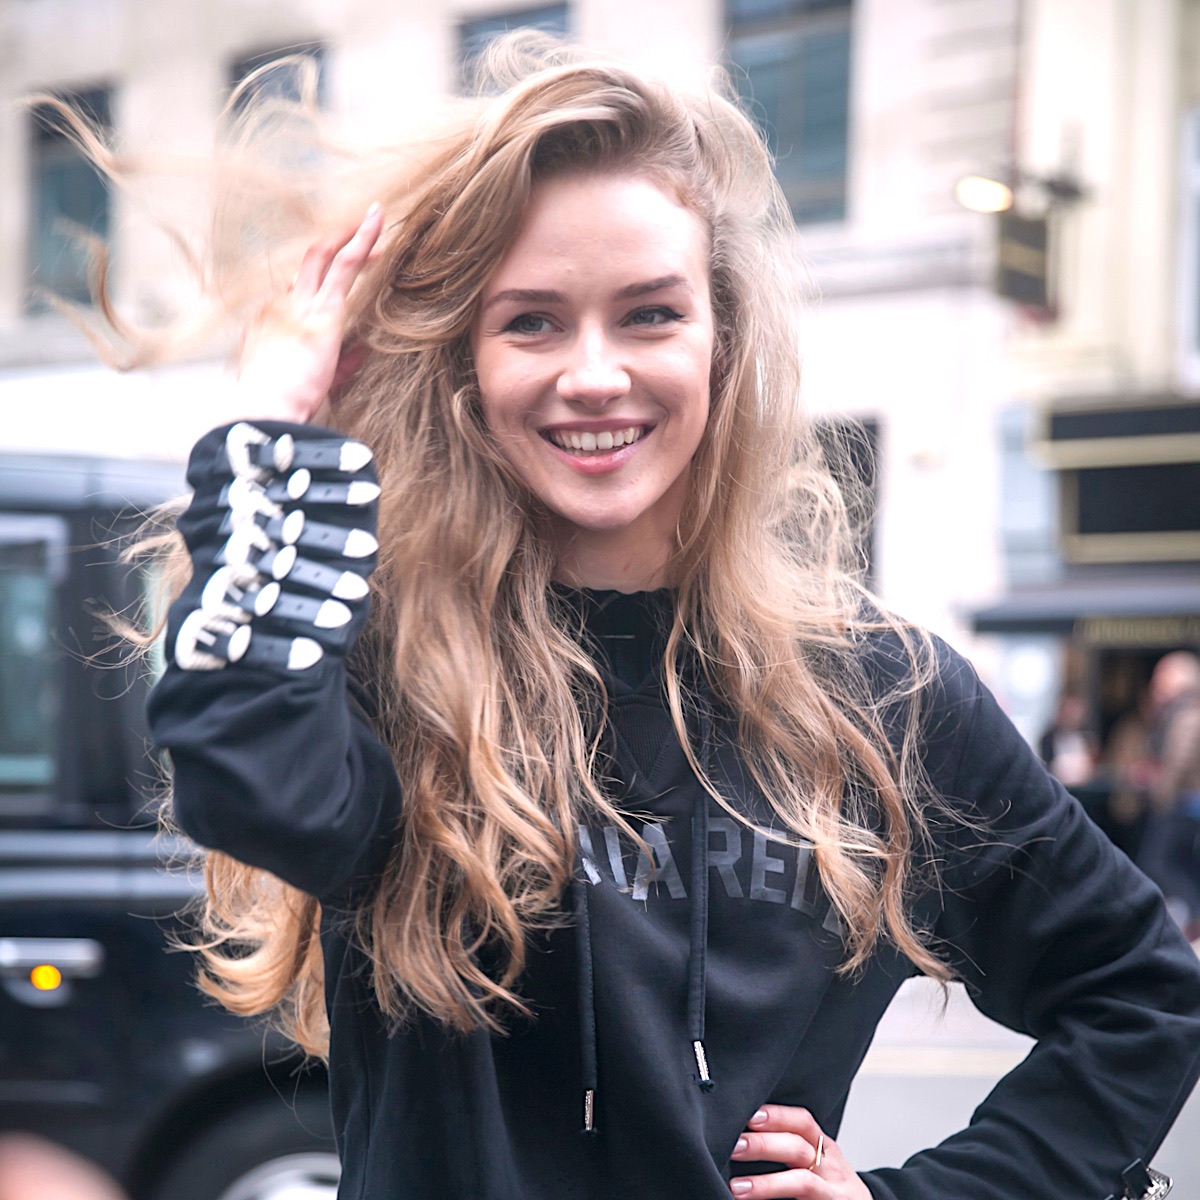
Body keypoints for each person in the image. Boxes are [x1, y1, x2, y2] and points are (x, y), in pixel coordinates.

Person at [124, 37, 1200, 1200]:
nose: (593, 374)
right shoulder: (397, 674)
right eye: (531, 322)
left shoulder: (879, 697)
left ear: (722, 339)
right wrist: (280, 442)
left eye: (648, 314)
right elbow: (243, 781)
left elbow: (1139, 992)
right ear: (468, 364)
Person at [1139, 651, 1200, 942]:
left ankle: (1195, 916)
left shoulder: (1188, 714)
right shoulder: (1181, 712)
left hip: (1183, 806)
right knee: (1181, 865)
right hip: (1186, 805)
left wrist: (1160, 798)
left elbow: (1178, 763)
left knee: (1157, 863)